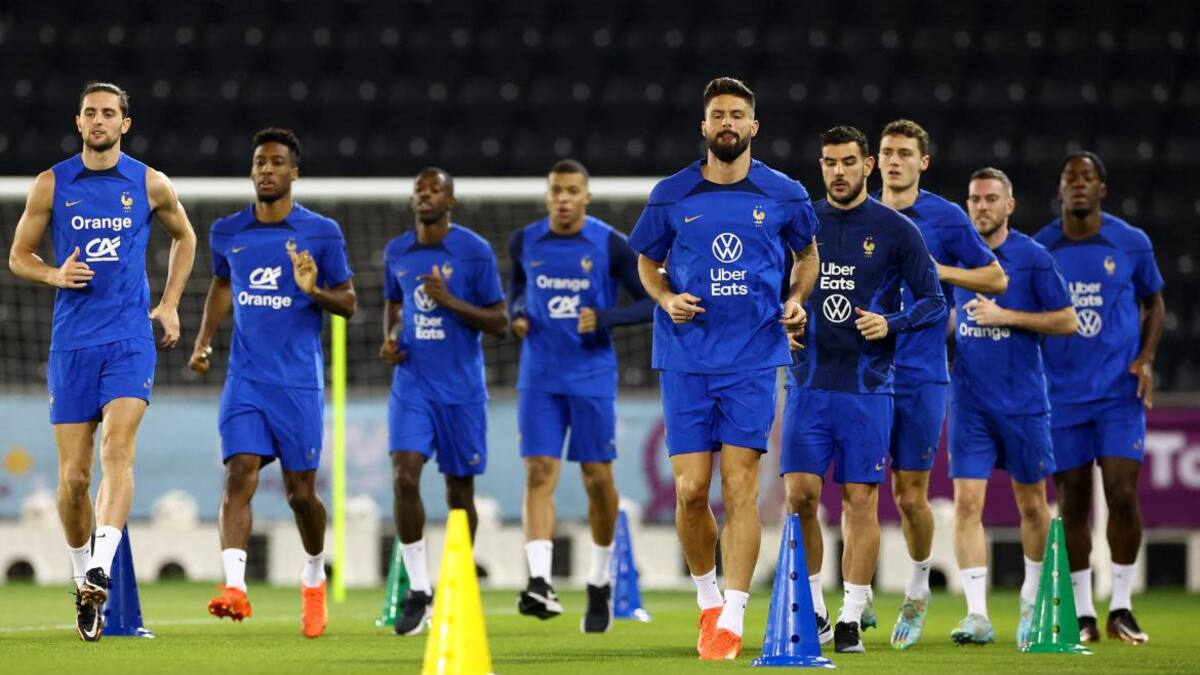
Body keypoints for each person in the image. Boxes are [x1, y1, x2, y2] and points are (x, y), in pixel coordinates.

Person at [629, 77, 819, 660]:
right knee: (690, 492)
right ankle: (708, 597)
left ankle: (732, 619)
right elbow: (646, 260)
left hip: (755, 358)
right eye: (718, 115)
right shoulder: (672, 194)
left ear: (754, 127)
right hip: (686, 359)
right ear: (705, 127)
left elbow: (808, 254)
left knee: (740, 488)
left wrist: (797, 299)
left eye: (738, 114)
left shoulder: (785, 195)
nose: (728, 123)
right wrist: (665, 299)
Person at [8, 82, 196, 641]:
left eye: (108, 113)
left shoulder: (147, 182)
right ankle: (80, 580)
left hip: (128, 340)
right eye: (89, 112)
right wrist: (53, 274)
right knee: (73, 478)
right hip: (71, 345)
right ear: (78, 119)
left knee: (117, 449)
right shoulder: (52, 183)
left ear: (124, 124)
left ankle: (99, 567)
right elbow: (19, 255)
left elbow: (185, 238)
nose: (97, 120)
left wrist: (167, 303)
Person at [188, 128, 356, 639]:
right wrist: (203, 341)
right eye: (259, 161)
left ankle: (312, 576)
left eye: (276, 162)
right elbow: (221, 284)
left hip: (298, 385)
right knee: (240, 472)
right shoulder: (228, 231)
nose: (266, 169)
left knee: (301, 495)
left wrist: (313, 289)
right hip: (247, 380)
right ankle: (235, 588)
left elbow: (348, 304)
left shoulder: (322, 234)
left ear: (293, 173)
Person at [783, 126, 945, 654]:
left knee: (860, 502)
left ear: (867, 164)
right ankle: (814, 608)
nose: (838, 172)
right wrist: (782, 315)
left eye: (848, 162)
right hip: (807, 383)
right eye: (829, 162)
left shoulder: (895, 229)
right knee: (799, 498)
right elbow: (768, 282)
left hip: (867, 389)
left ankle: (852, 615)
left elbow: (934, 301)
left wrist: (891, 323)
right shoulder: (800, 222)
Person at [876, 119, 1008, 649]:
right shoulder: (854, 214)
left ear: (922, 162)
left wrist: (940, 272)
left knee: (910, 497)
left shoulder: (946, 217)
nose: (894, 160)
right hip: (861, 374)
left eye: (905, 153)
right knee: (859, 495)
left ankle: (916, 585)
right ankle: (853, 603)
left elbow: (996, 278)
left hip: (922, 373)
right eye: (886, 152)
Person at [509, 159, 653, 632]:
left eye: (572, 191)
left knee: (596, 478)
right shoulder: (524, 241)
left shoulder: (608, 243)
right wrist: (516, 315)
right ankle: (538, 581)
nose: (564, 198)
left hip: (591, 375)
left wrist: (606, 318)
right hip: (540, 377)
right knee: (538, 471)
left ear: (586, 196)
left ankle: (599, 579)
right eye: (556, 191)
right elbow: (516, 291)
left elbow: (652, 299)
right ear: (547, 195)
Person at [1034, 152, 1164, 644]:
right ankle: (1085, 613)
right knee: (1072, 506)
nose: (1079, 185)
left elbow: (1155, 303)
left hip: (1117, 394)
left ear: (1102, 189)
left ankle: (1123, 606)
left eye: (1089, 178)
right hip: (1062, 396)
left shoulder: (1131, 243)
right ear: (1061, 190)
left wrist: (1146, 358)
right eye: (1071, 178)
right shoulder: (1042, 248)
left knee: (1124, 495)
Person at [948, 168, 1077, 647]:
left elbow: (1068, 320)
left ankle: (1030, 602)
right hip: (969, 402)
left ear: (1010, 205)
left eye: (990, 199)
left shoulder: (1033, 258)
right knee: (966, 504)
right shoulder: (958, 255)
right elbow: (945, 316)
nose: (980, 206)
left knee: (1032, 506)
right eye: (974, 198)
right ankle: (977, 615)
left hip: (1023, 404)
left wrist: (1007, 316)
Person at [379, 167, 507, 636]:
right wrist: (391, 338)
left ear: (450, 200)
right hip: (412, 385)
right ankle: (417, 588)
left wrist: (450, 301)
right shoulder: (397, 251)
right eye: (419, 190)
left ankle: (455, 580)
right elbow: (394, 302)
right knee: (404, 477)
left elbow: (500, 321)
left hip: (461, 392)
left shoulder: (474, 252)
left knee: (459, 492)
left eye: (434, 190)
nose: (425, 196)